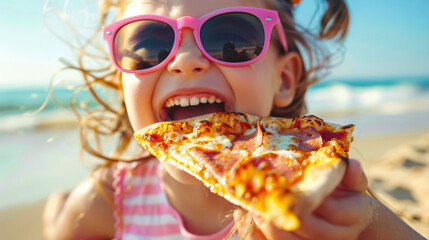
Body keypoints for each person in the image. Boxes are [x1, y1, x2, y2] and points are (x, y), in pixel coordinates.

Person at [43, 0, 426, 239]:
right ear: (121, 82)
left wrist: (366, 222)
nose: (186, 60)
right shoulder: (112, 196)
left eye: (230, 37)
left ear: (284, 79)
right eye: (148, 47)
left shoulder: (314, 192)